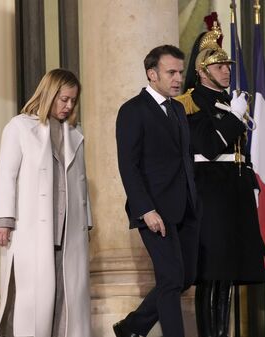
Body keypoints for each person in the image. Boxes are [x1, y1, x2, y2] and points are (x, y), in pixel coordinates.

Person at [175, 23, 265, 337]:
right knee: (211, 274)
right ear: (201, 71)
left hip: (234, 194)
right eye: (218, 65)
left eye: (227, 65)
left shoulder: (229, 102)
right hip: (209, 195)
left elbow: (241, 151)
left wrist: (251, 183)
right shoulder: (189, 103)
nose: (226, 70)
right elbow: (209, 147)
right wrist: (233, 118)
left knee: (228, 274)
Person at [0, 69, 92, 337]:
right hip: (31, 230)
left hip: (68, 233)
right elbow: (5, 174)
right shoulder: (20, 127)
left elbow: (81, 182)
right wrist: (3, 220)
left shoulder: (74, 133)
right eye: (64, 99)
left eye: (73, 100)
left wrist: (86, 223)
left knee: (66, 305)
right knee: (31, 304)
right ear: (49, 94)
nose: (68, 106)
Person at [114, 45, 199, 337]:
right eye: (171, 72)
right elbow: (128, 165)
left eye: (180, 72)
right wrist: (145, 209)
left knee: (185, 277)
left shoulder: (177, 108)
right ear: (152, 74)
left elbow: (184, 158)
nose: (178, 78)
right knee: (171, 278)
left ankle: (132, 327)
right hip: (154, 209)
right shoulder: (132, 110)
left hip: (185, 207)